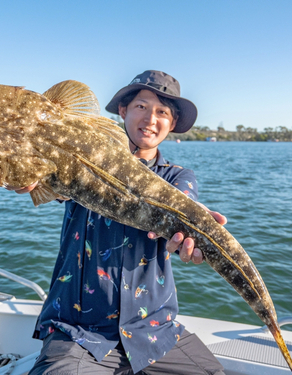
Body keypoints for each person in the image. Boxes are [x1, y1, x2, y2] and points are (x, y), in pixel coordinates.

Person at [24, 70, 227, 374]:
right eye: (142, 107)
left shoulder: (177, 177)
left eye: (162, 112)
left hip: (155, 330)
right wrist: (28, 174)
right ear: (123, 110)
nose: (151, 119)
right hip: (78, 332)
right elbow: (45, 174)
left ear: (171, 123)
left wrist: (195, 224)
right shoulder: (81, 158)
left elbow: (186, 201)